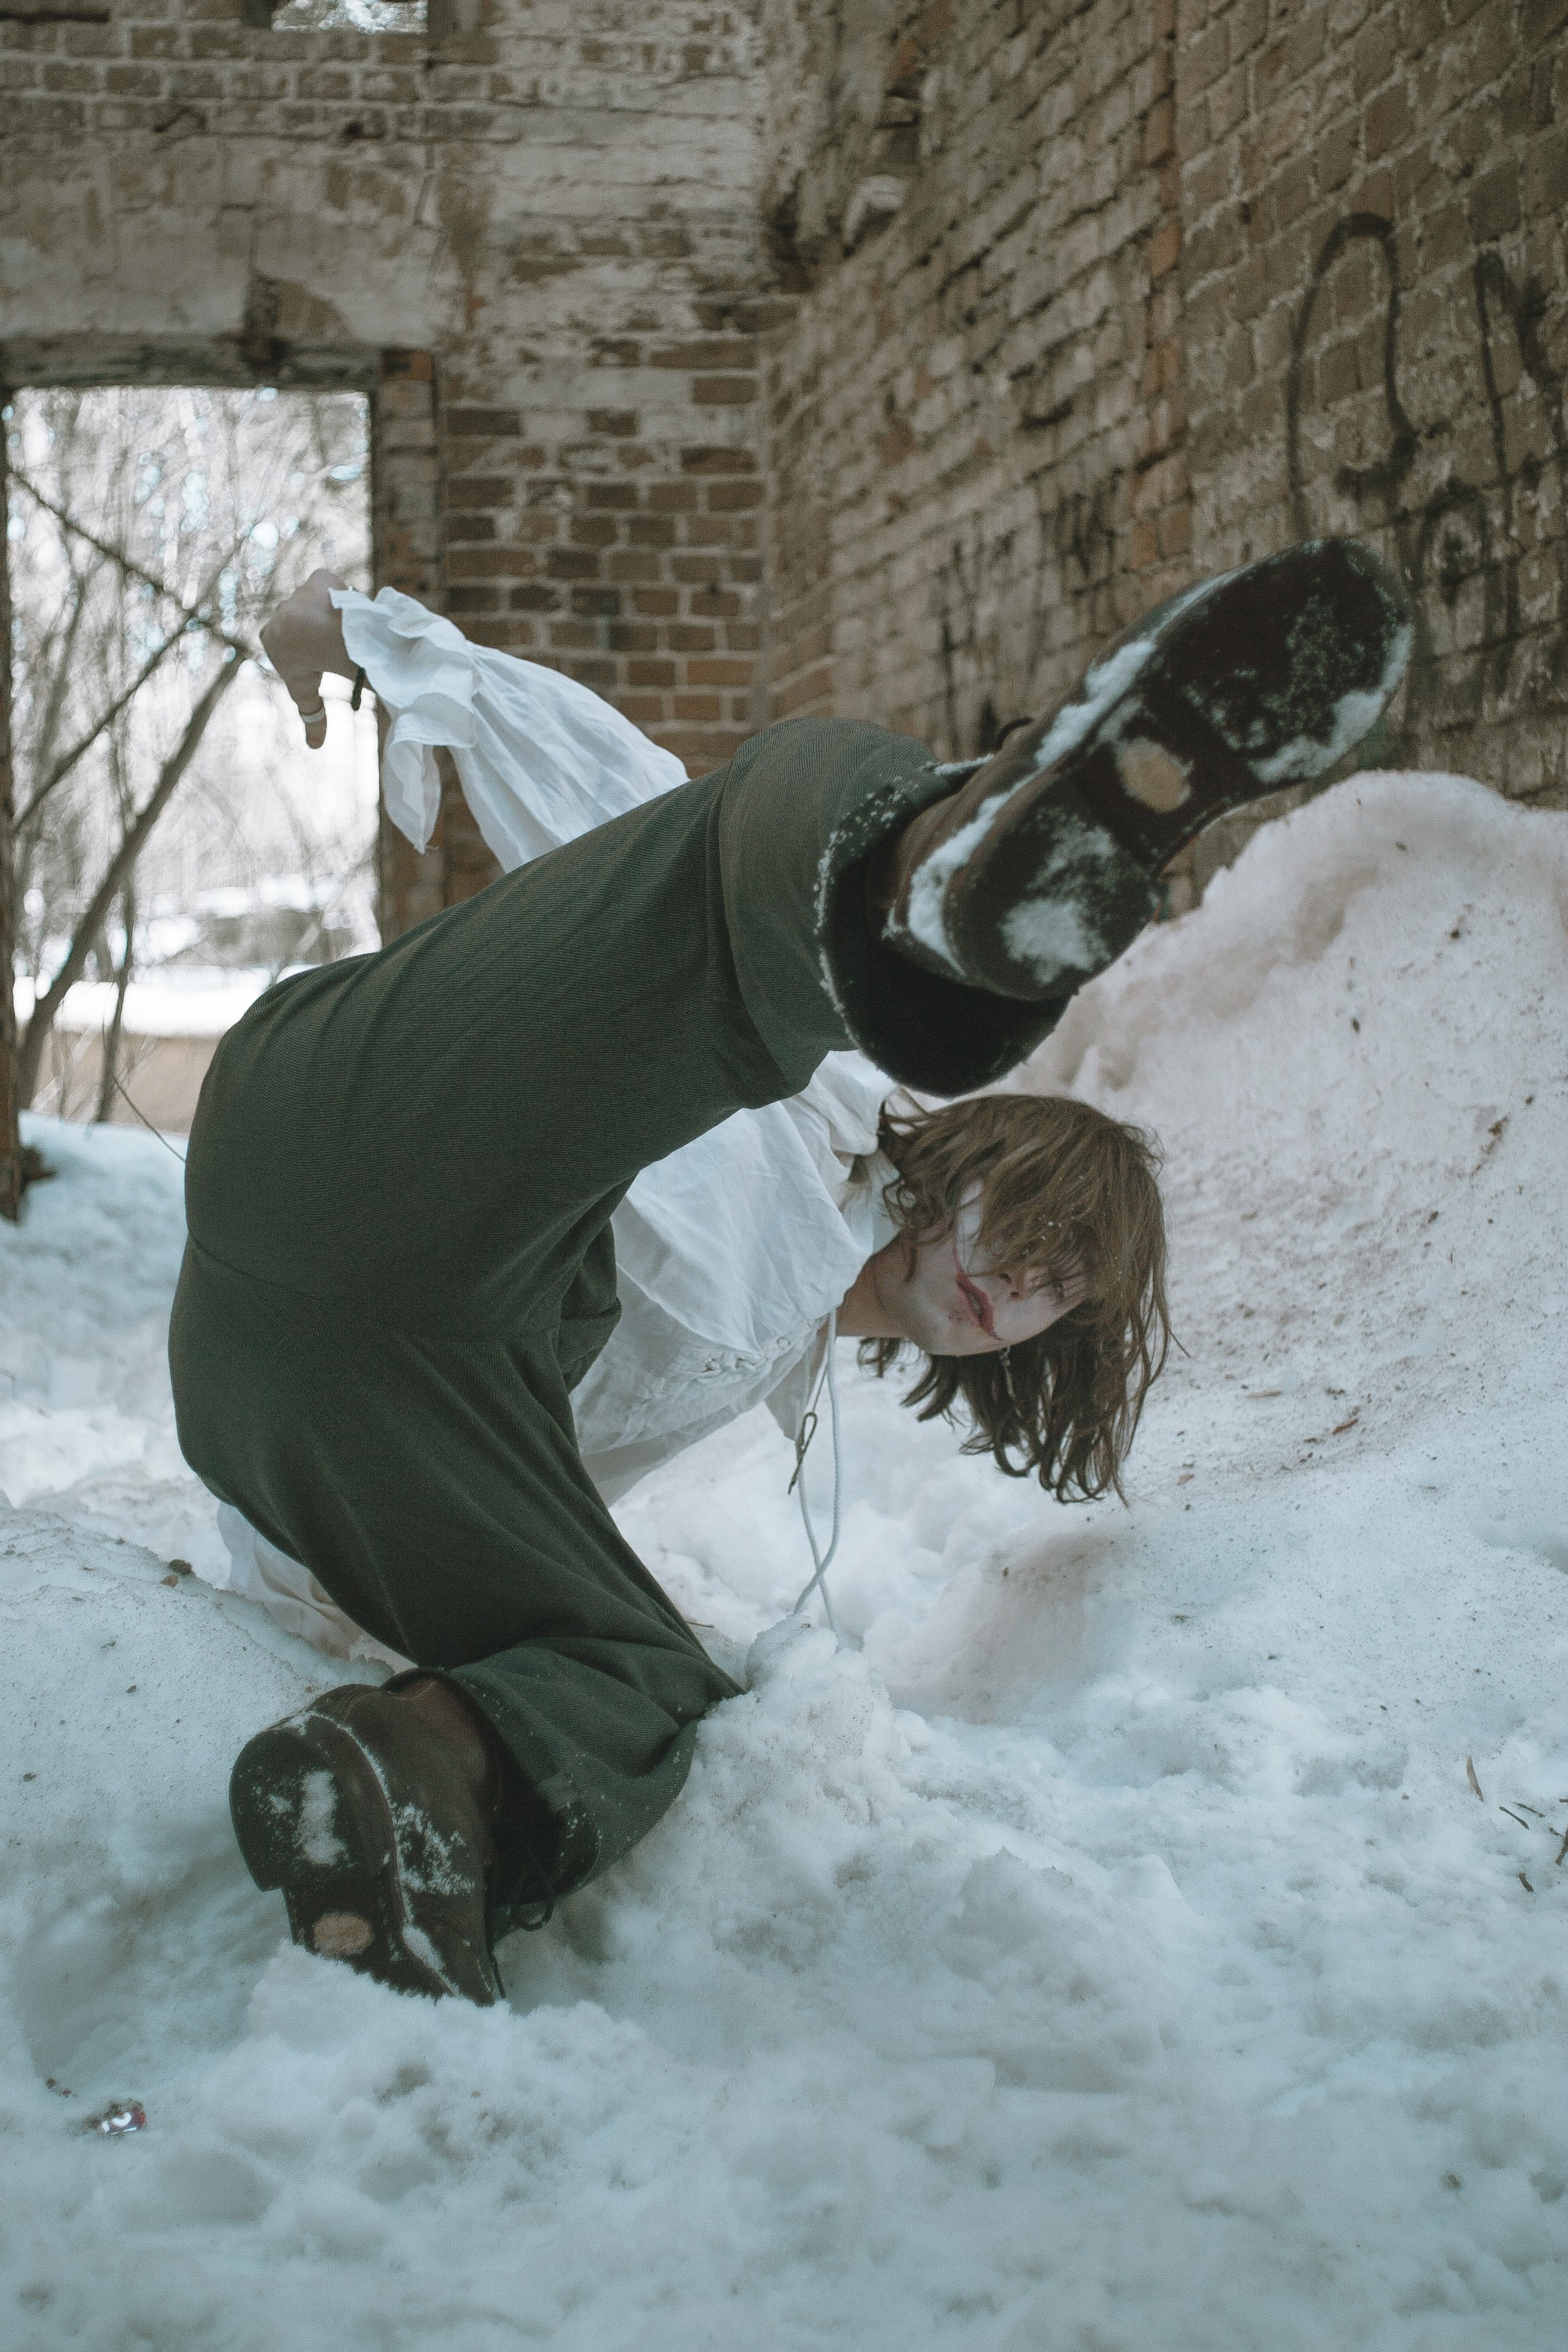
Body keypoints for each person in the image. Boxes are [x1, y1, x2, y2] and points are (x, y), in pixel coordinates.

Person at [171, 539, 1410, 2006]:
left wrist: (327, 1598)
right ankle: (934, 884)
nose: (1011, 1282)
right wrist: (372, 634)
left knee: (653, 1684)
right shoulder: (804, 1095)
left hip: (318, 1406)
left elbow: (498, 1503)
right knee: (752, 846)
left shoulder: (759, 1365)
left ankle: (408, 1801)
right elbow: (627, 808)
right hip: (365, 1134)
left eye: (1056, 1292)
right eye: (1026, 1220)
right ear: (972, 1141)